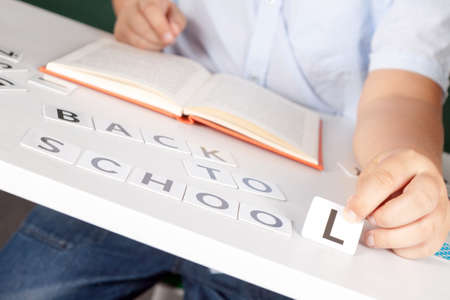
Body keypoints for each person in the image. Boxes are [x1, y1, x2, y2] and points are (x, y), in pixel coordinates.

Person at [1, 0, 449, 299]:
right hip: (148, 132)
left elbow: (402, 95)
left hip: (306, 187)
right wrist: (135, 8)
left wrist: (403, 166)